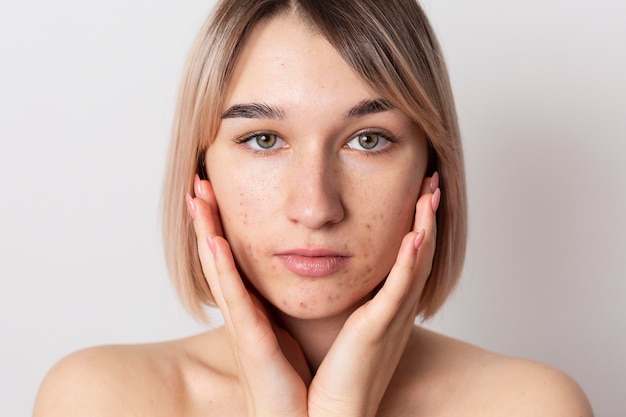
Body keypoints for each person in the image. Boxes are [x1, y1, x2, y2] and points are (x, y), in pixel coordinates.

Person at [33, 0, 593, 415]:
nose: (315, 206)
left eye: (368, 139)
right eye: (263, 140)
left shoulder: (531, 406)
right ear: (202, 171)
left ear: (431, 174)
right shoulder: (98, 398)